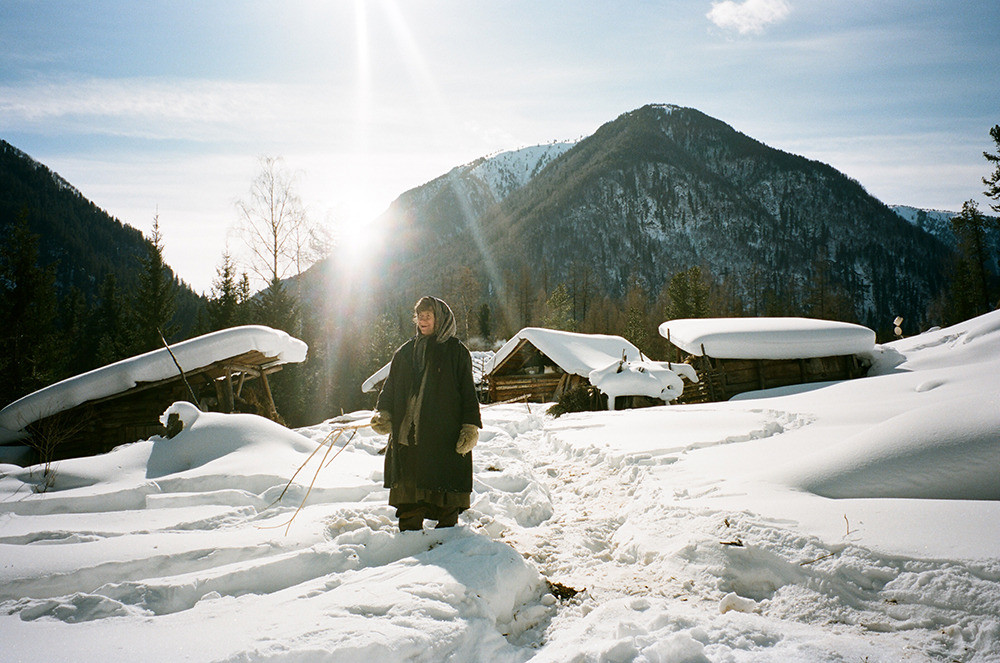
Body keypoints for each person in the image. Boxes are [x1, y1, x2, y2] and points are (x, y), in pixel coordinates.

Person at [370, 296, 482, 531]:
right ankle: (409, 538)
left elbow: (468, 394)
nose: (422, 320)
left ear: (440, 319)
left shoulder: (456, 352)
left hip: (444, 433)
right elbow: (391, 386)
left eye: (428, 316)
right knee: (410, 486)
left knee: (444, 484)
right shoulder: (405, 352)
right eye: (419, 316)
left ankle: (448, 543)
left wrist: (470, 427)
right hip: (407, 435)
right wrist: (384, 413)